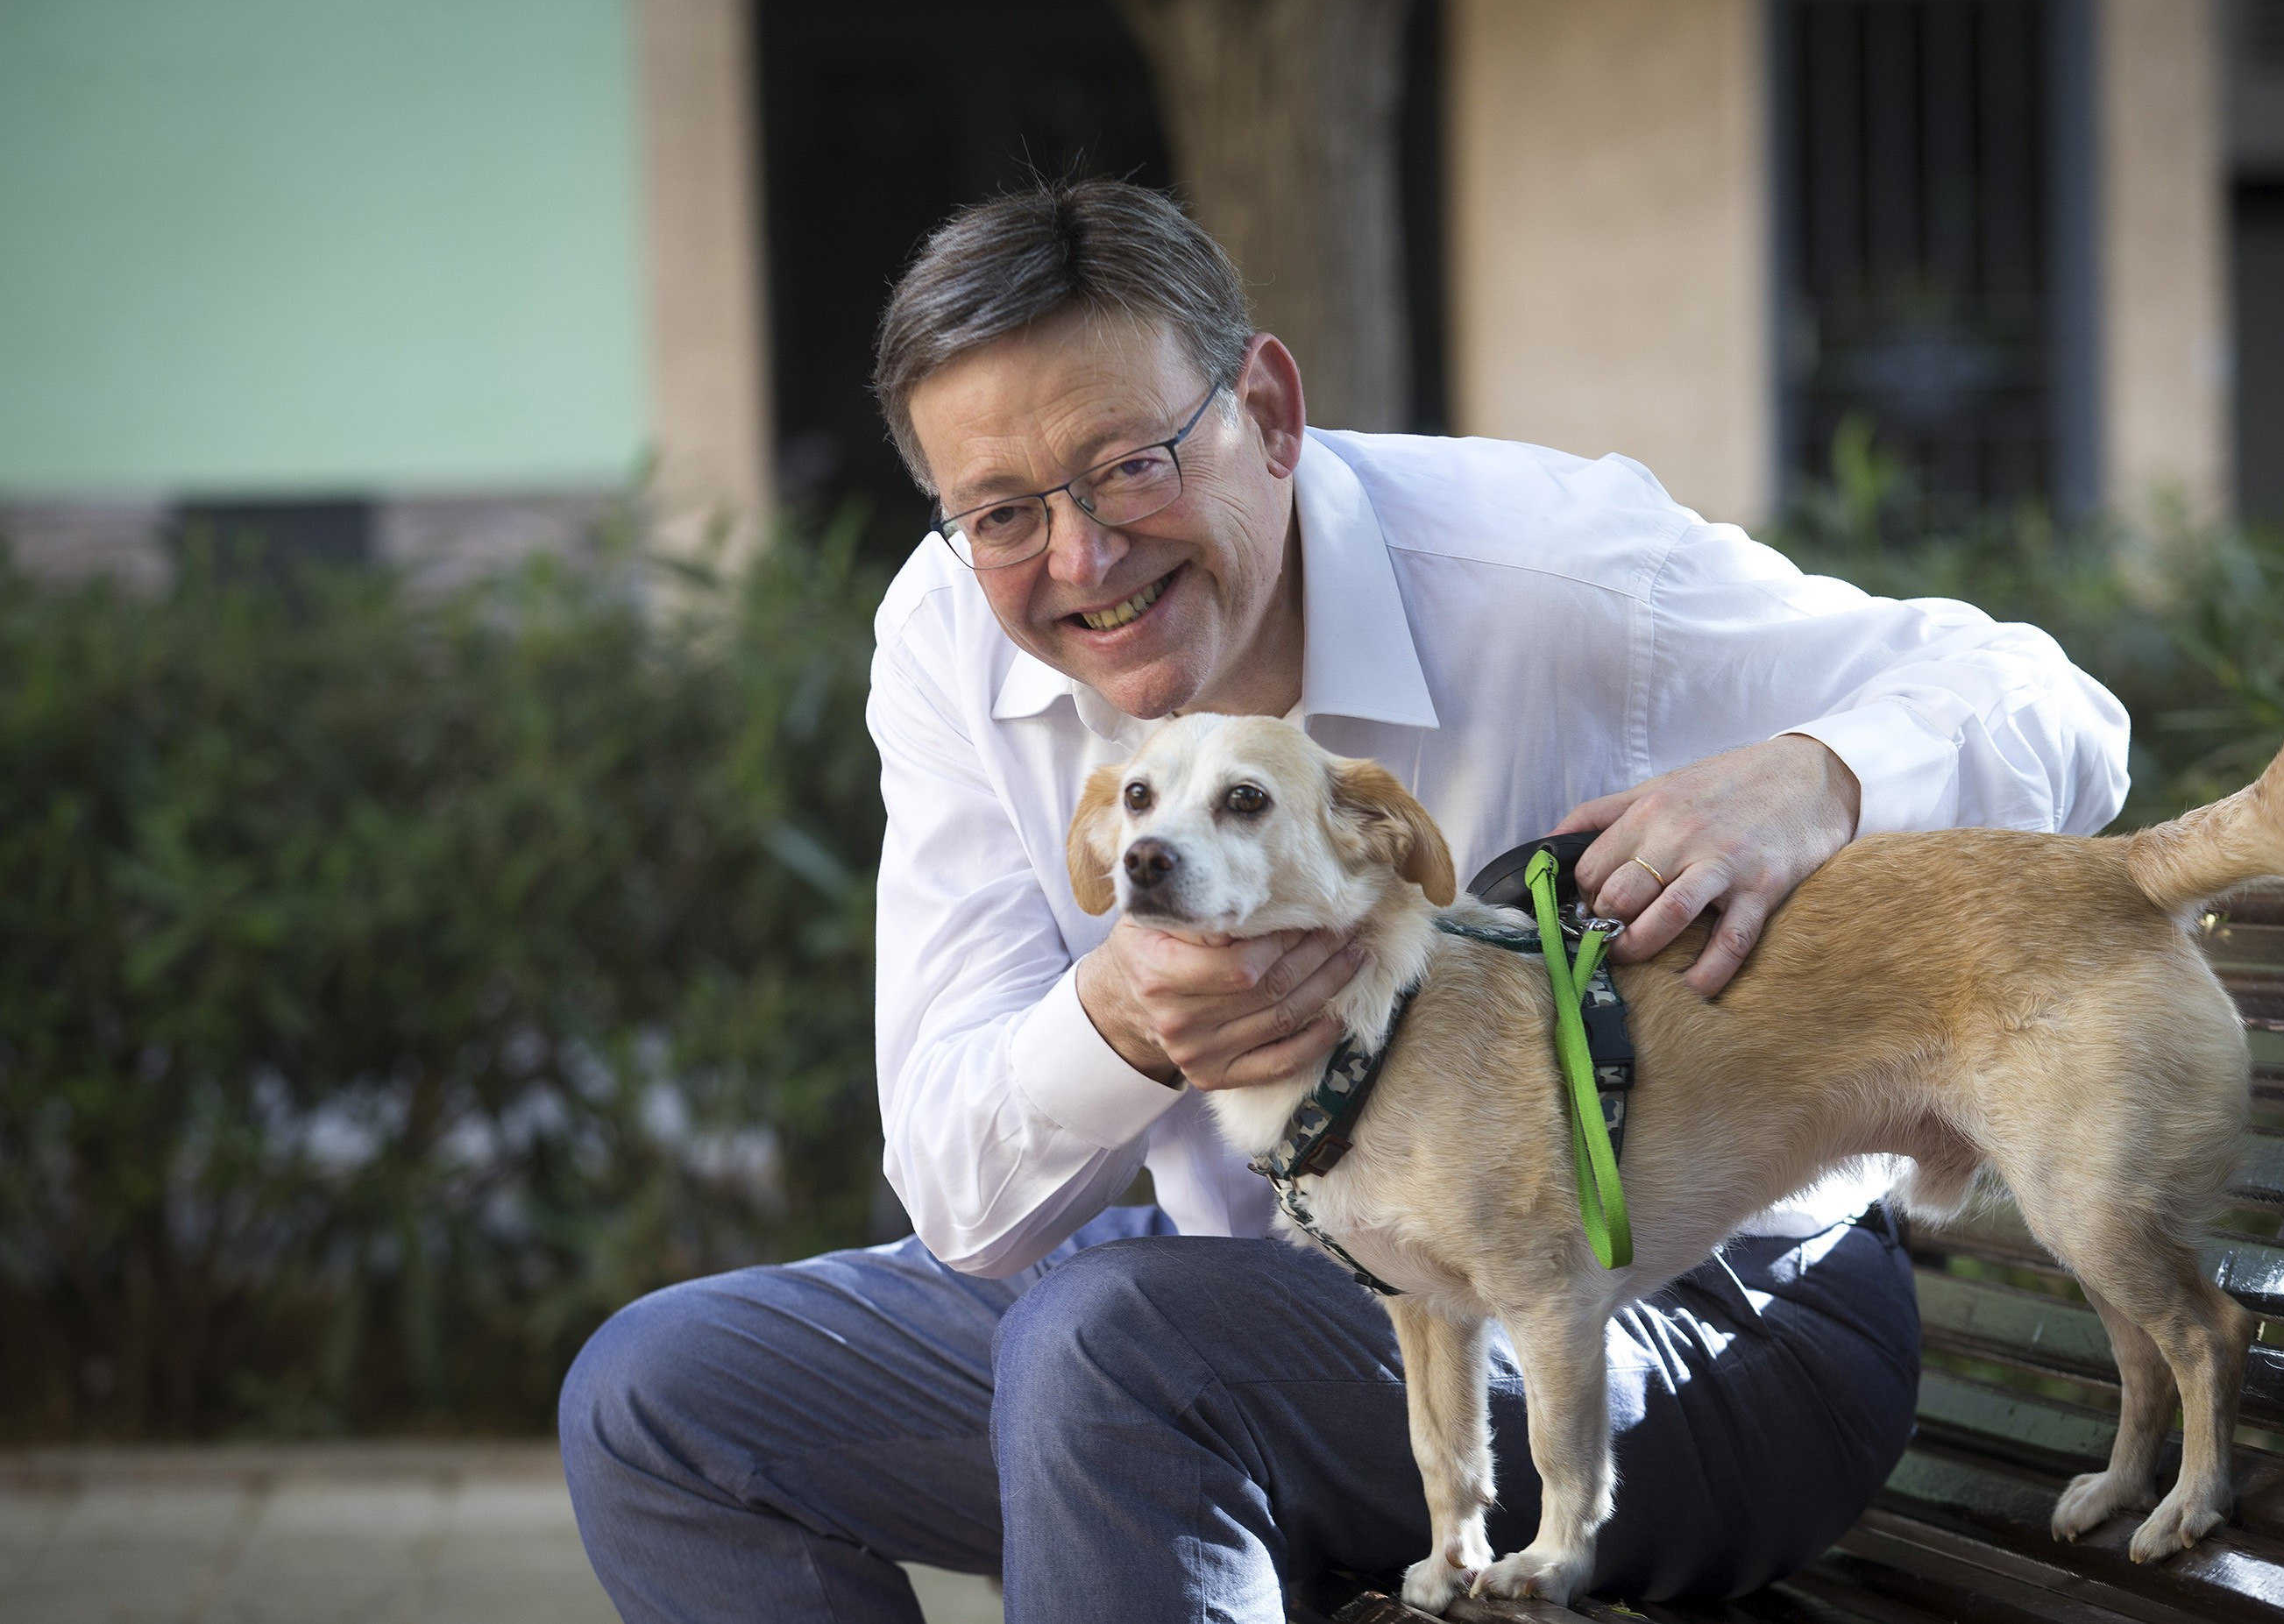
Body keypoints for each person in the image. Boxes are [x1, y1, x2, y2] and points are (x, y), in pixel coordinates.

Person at [560, 178, 2129, 1623]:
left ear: (1265, 409)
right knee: (662, 1398)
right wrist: (1118, 1022)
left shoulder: (1556, 573)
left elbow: (2055, 708)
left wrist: (1817, 775)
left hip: (1697, 1316)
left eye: (1129, 464)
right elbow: (967, 1210)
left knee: (1119, 1343)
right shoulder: (951, 637)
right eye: (1003, 512)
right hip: (1246, 1302)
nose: (1082, 557)